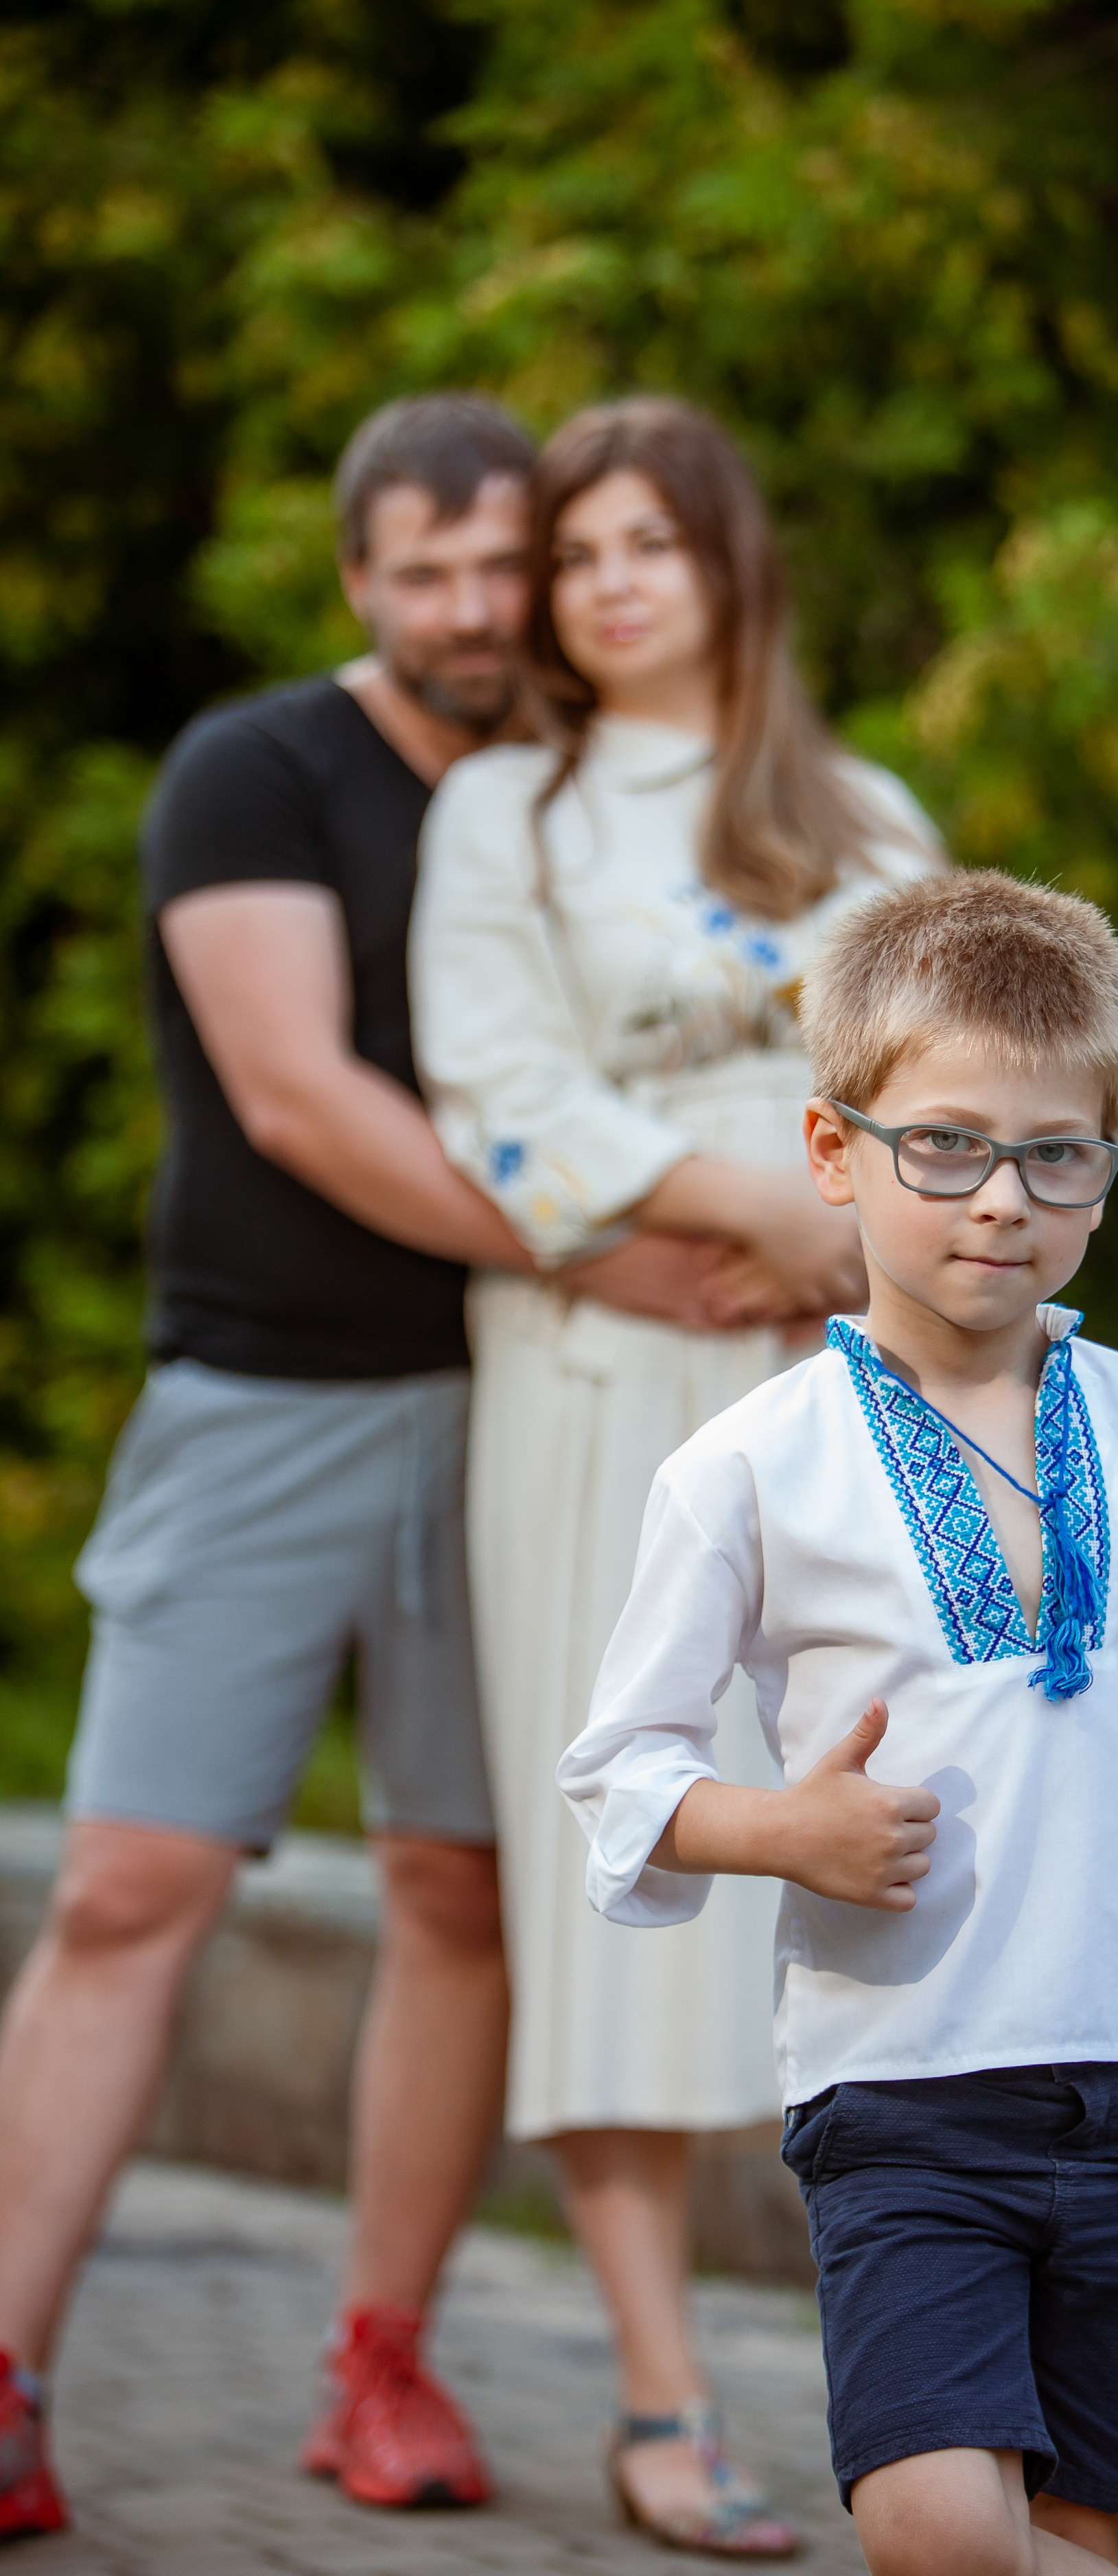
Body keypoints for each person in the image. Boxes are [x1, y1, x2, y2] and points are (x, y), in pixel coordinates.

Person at [0, 390, 717, 2542]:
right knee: (139, 1882)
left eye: (508, 566)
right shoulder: (255, 770)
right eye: (429, 571)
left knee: (462, 1891)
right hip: (268, 1397)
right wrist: (615, 1246)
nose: (478, 609)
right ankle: (9, 2368)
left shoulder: (589, 796)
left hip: (524, 1405)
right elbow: (301, 1100)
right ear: (358, 578)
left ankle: (377, 2369)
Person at [557, 870, 1118, 2576]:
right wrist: (779, 1831)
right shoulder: (750, 1464)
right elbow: (620, 1772)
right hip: (902, 2094)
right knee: (938, 2532)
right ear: (834, 1152)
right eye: (947, 1147)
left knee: (1082, 2544)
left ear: (1109, 1164)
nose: (1002, 1200)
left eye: (1059, 1154)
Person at [409, 394, 938, 2556]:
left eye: (653, 541)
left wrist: (856, 1243)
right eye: (579, 552)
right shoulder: (508, 818)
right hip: (605, 1378)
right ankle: (657, 2399)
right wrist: (758, 1209)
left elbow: (954, 1073)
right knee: (633, 1868)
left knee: (887, 1847)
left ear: (730, 563)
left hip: (852, 1396)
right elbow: (500, 1104)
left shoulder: (863, 813)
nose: (610, 581)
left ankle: (921, 2386)